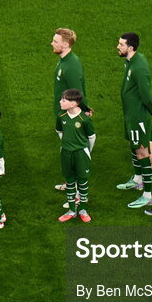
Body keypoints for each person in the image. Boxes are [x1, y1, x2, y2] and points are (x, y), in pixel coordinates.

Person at [115, 32, 152, 209]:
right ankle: (138, 179)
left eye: (121, 44)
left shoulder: (139, 67)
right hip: (130, 114)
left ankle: (148, 195)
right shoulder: (131, 62)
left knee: (142, 152)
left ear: (130, 48)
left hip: (138, 116)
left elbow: (145, 93)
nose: (118, 47)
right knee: (133, 145)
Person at [51, 28, 90, 191]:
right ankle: (70, 184)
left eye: (55, 41)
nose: (51, 43)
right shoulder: (64, 60)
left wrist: (84, 109)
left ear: (65, 44)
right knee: (67, 151)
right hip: (63, 113)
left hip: (70, 115)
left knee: (73, 152)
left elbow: (77, 91)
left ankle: (75, 190)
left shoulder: (71, 65)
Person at [56, 89, 96, 223]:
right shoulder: (61, 117)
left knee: (83, 182)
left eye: (64, 100)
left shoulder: (84, 119)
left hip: (81, 154)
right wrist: (66, 144)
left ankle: (83, 209)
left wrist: (86, 151)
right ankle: (72, 210)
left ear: (73, 104)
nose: (60, 102)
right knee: (69, 181)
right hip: (66, 153)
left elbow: (91, 137)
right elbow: (60, 132)